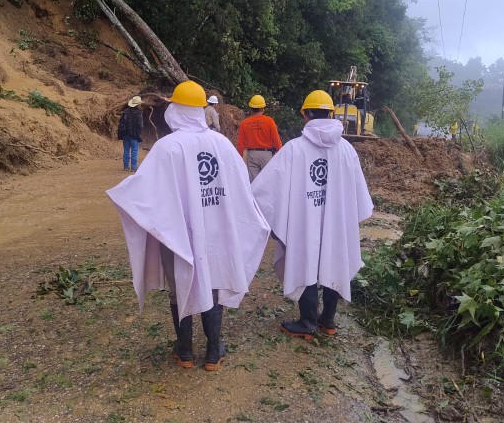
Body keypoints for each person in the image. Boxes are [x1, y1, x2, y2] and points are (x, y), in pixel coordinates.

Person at [106, 81, 270, 371]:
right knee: (215, 285)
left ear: (176, 109)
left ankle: (184, 351)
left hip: (178, 235)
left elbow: (146, 190)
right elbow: (240, 185)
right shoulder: (221, 145)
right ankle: (212, 353)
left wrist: (124, 194)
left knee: (178, 287)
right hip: (217, 233)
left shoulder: (167, 147)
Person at [251, 90, 373, 339]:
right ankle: (328, 320)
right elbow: (359, 195)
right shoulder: (347, 150)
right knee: (334, 260)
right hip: (336, 223)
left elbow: (263, 190)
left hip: (303, 222)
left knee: (304, 261)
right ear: (331, 114)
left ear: (305, 115)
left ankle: (307, 321)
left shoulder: (294, 150)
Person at [236, 94, 283, 181]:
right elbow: (276, 140)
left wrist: (239, 157)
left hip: (252, 155)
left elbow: (240, 143)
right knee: (268, 183)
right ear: (262, 108)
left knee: (254, 184)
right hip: (267, 155)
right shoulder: (269, 121)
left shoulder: (244, 123)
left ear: (251, 108)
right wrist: (281, 154)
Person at [118, 95, 143, 172]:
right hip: (134, 135)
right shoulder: (139, 113)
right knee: (134, 151)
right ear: (138, 104)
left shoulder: (126, 112)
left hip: (125, 134)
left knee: (126, 151)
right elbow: (140, 125)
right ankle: (134, 167)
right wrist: (139, 133)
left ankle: (126, 166)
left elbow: (121, 123)